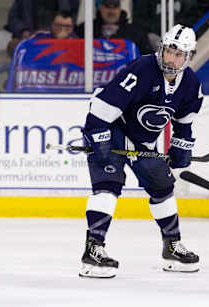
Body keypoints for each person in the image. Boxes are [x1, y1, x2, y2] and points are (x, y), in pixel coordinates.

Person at [79, 24, 202, 278]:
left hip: (143, 142)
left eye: (179, 55)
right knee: (108, 184)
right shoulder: (142, 70)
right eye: (169, 51)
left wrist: (181, 147)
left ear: (188, 57)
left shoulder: (190, 83)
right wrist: (100, 139)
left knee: (162, 186)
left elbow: (184, 123)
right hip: (113, 128)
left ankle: (172, 246)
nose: (172, 58)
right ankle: (93, 250)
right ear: (162, 48)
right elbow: (101, 109)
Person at [4, 0, 79, 57]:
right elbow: (13, 17)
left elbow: (73, 17)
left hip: (56, 36)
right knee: (14, 46)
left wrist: (53, 31)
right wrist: (23, 30)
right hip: (30, 37)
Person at [76, 0, 153, 55]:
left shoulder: (136, 32)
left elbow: (147, 57)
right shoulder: (85, 29)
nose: (111, 11)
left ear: (120, 8)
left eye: (115, 7)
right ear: (100, 7)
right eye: (107, 7)